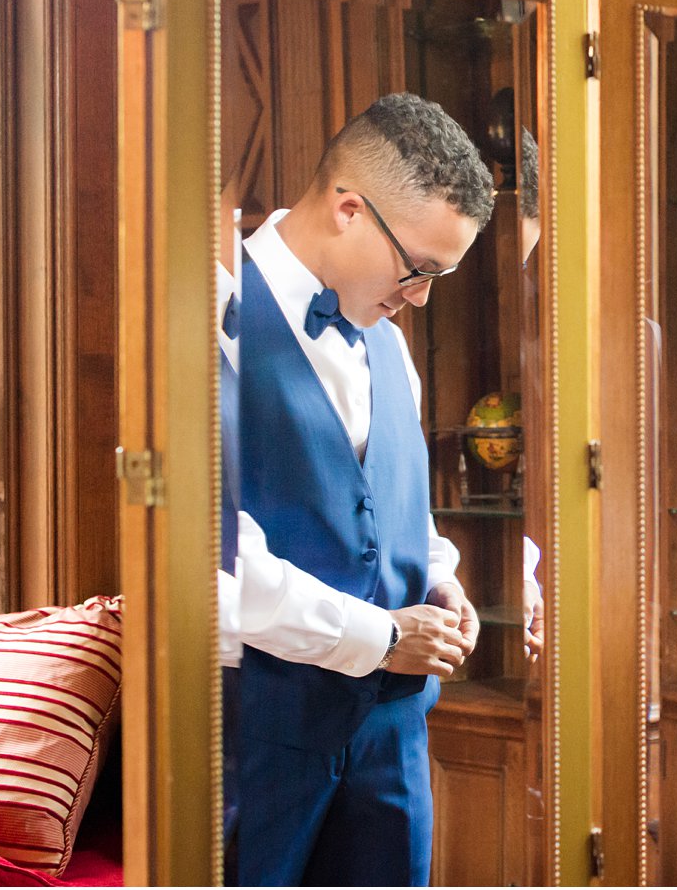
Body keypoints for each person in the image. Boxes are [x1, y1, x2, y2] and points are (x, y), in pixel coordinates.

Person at [231, 93, 493, 886]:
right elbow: (213, 571)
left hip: (396, 737)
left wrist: (441, 579)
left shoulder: (390, 349)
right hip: (260, 735)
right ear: (350, 209)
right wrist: (381, 635)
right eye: (420, 269)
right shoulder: (207, 320)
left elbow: (393, 506)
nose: (420, 296)